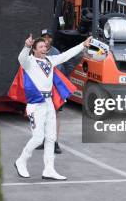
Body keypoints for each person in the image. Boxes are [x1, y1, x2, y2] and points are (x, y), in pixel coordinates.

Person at [14, 34, 91, 180]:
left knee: (51, 137)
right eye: (41, 47)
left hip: (49, 103)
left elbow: (66, 55)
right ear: (34, 50)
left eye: (45, 46)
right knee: (38, 138)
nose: (44, 48)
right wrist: (26, 46)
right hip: (36, 105)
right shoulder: (29, 62)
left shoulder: (50, 60)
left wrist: (83, 45)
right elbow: (21, 58)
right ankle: (21, 161)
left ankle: (49, 169)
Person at [36, 29, 66, 154]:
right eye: (44, 38)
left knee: (55, 116)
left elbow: (58, 74)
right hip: (40, 90)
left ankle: (55, 142)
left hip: (54, 90)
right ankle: (43, 140)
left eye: (49, 38)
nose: (47, 40)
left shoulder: (56, 53)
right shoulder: (36, 53)